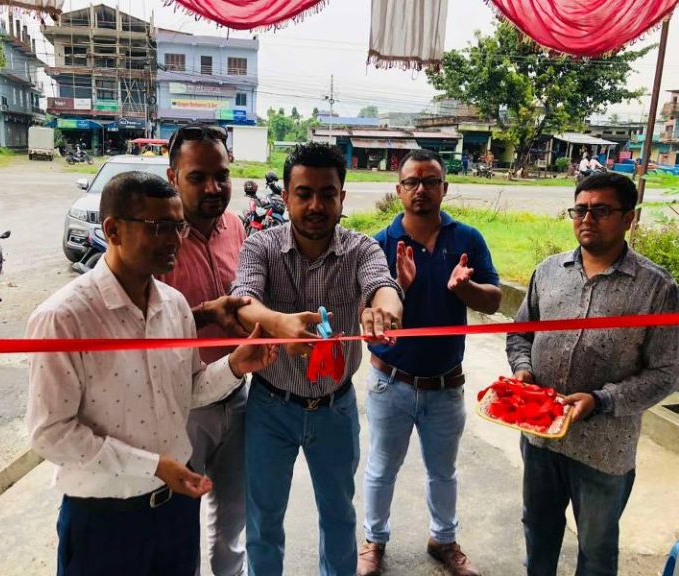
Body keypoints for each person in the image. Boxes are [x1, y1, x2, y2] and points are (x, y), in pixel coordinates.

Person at [26, 171, 277, 576]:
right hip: (104, 519)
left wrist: (235, 365)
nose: (175, 240)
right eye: (159, 226)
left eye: (179, 226)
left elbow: (188, 389)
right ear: (113, 230)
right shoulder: (64, 318)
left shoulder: (175, 306)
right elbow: (50, 433)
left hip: (175, 512)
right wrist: (154, 465)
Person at [230, 142, 404, 576]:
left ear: (342, 198)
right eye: (304, 194)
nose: (315, 206)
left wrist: (384, 310)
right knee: (263, 519)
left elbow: (383, 286)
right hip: (270, 407)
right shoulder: (260, 246)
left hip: (335, 409)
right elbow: (242, 300)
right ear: (286, 196)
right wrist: (277, 323)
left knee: (339, 515)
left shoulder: (362, 248)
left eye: (327, 194)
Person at [506, 172, 679, 576]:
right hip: (540, 437)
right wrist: (523, 369)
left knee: (597, 550)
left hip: (604, 450)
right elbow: (520, 333)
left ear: (628, 218)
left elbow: (667, 373)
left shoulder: (657, 289)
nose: (587, 219)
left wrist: (600, 400)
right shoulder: (548, 272)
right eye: (580, 209)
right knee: (538, 531)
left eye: (601, 210)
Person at [358, 149, 501, 576]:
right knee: (381, 469)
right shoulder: (379, 244)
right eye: (412, 182)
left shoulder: (468, 239)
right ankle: (373, 540)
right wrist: (396, 286)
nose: (421, 189)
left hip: (445, 384)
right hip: (391, 382)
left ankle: (444, 539)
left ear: (445, 187)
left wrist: (465, 289)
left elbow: (493, 300)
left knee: (443, 472)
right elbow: (365, 313)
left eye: (431, 181)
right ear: (399, 189)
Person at [158, 123, 250, 576]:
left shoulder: (237, 227)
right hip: (181, 407)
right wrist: (205, 315)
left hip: (239, 395)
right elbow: (143, 325)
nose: (214, 188)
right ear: (173, 177)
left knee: (234, 513)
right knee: (176, 519)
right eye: (198, 177)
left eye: (222, 175)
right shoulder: (159, 239)